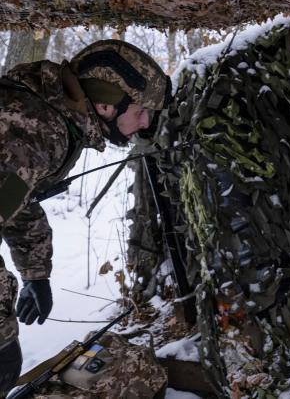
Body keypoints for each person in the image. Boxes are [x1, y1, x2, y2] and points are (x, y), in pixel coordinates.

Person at [0, 40, 169, 396]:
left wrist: (35, 272)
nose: (145, 123)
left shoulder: (46, 116)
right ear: (105, 105)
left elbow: (17, 199)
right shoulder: (34, 130)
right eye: (140, 111)